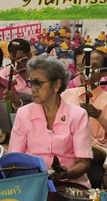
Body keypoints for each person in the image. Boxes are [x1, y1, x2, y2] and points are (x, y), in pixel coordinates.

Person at [8, 54, 92, 188]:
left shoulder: (77, 115)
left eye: (38, 83)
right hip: (33, 184)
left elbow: (83, 163)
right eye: (31, 82)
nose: (33, 89)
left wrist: (65, 174)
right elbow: (14, 158)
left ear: (56, 85)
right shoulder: (23, 114)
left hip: (69, 183)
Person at [62, 48, 107, 150]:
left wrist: (99, 116)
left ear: (104, 72)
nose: (88, 71)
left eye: (95, 66)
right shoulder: (65, 96)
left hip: (98, 152)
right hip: (66, 150)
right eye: (83, 66)